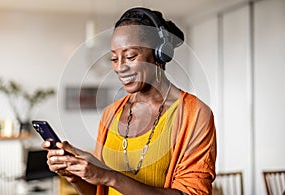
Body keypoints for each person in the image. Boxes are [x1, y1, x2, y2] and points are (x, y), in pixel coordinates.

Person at [42, 7, 216, 195]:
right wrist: (74, 174)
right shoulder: (111, 114)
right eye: (114, 59)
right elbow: (100, 191)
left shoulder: (195, 114)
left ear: (159, 54)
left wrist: (110, 176)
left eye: (131, 56)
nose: (119, 67)